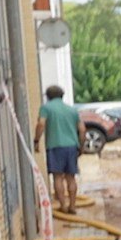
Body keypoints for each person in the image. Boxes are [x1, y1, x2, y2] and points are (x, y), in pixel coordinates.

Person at [40, 84, 83, 215]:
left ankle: (63, 205)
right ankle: (73, 206)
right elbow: (82, 129)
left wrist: (36, 140)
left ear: (48, 96)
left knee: (57, 177)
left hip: (55, 146)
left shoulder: (46, 108)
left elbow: (41, 124)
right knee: (71, 177)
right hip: (71, 147)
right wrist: (80, 146)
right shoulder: (72, 110)